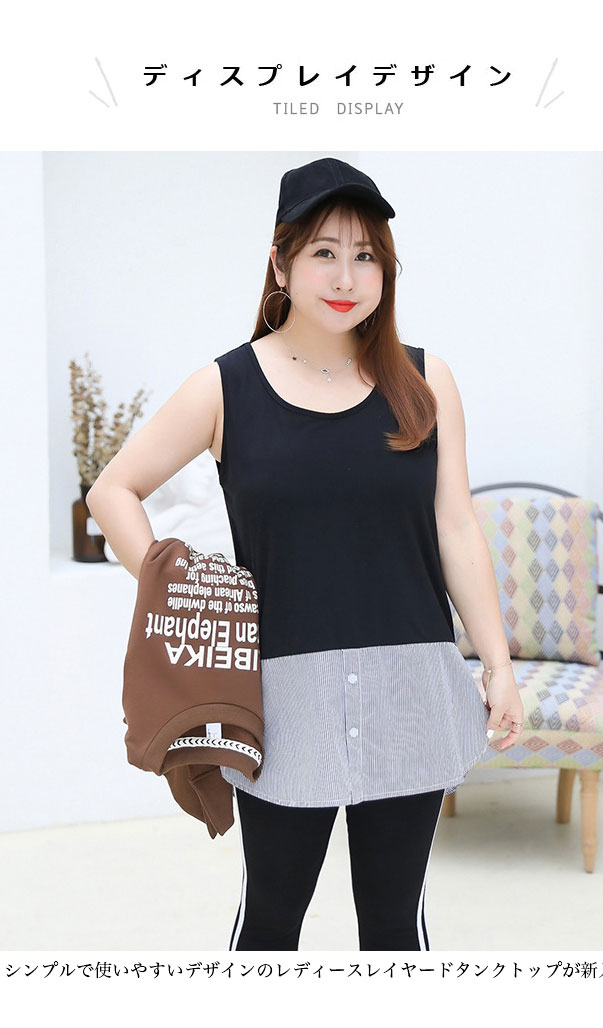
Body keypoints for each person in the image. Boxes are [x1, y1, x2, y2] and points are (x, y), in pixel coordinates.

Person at [87, 156, 524, 952]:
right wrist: (175, 592)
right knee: (270, 923)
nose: (347, 276)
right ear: (281, 262)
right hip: (283, 702)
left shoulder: (426, 380)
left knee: (394, 928)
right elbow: (113, 490)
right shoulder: (225, 387)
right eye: (324, 251)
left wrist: (496, 663)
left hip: (411, 690)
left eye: (366, 255)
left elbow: (455, 525)